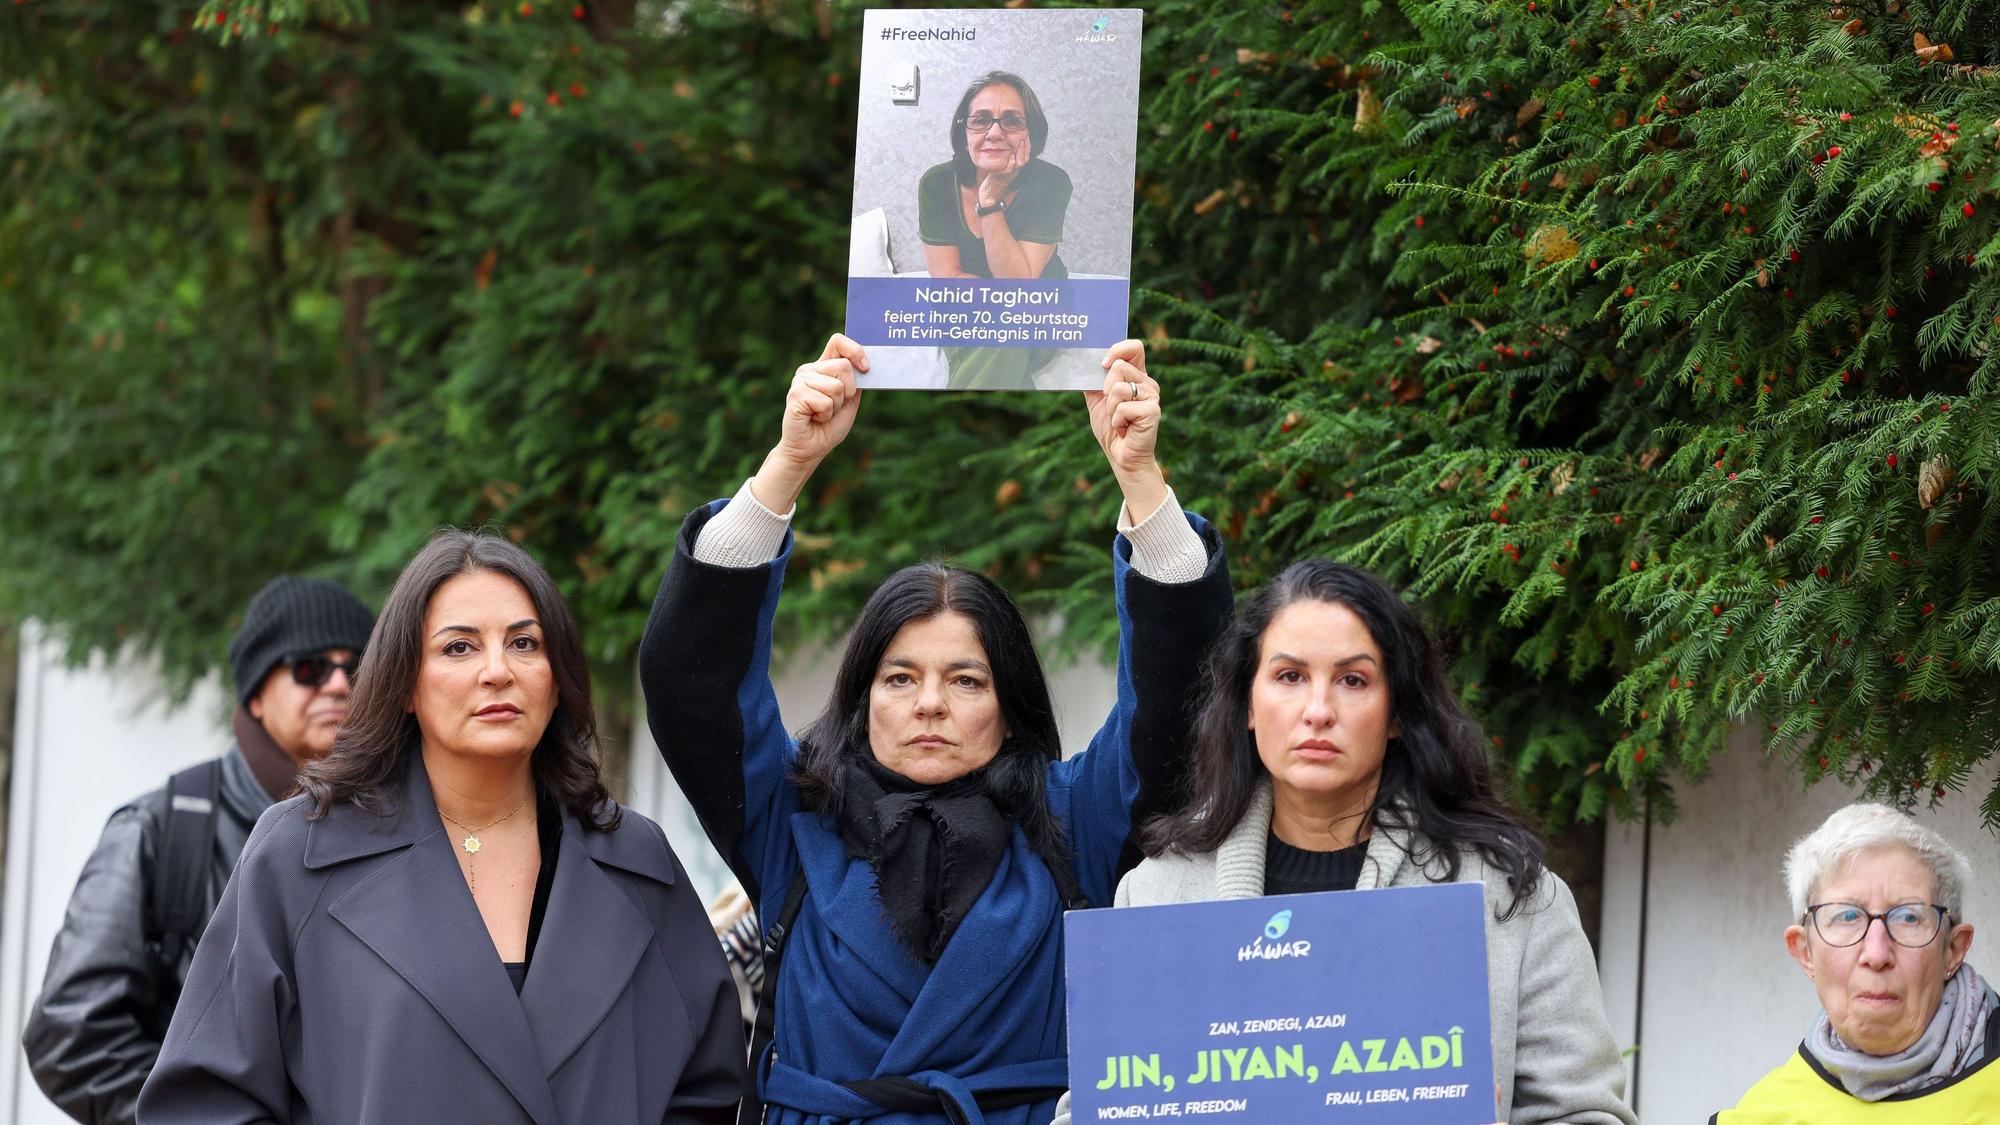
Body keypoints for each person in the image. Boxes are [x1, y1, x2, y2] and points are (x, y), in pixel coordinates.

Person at [640, 333, 1232, 1124]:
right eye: (899, 678)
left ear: (1010, 702)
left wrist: (1141, 481)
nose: (929, 703)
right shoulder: (794, 822)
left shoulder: (1073, 820)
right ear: (862, 699)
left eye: (966, 679)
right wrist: (787, 466)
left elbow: (1183, 696)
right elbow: (691, 681)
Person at [136, 533, 744, 1123]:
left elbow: (708, 1084)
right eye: (459, 648)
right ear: (403, 683)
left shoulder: (635, 861)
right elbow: (203, 1100)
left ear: (557, 679)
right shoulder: (299, 855)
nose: (498, 671)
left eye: (526, 644)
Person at [1052, 560, 1636, 1125]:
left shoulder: (1509, 898)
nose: (1318, 711)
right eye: (1289, 676)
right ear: (1248, 704)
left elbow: (1588, 1114)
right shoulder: (1156, 897)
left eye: (1353, 680)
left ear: (1397, 713)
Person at [24, 576, 373, 1125]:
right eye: (309, 667)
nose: (337, 685)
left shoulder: (392, 833)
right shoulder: (159, 829)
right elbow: (69, 1035)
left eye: (354, 668)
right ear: (257, 693)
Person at [1712, 803, 1995, 1122]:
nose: (1876, 954)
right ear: (1805, 953)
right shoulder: (1759, 1117)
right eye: (1847, 916)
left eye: (1908, 917)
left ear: (1953, 949)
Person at [918, 70, 1072, 390]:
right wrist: (997, 306)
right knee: (1003, 330)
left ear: (1032, 133)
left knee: (1007, 330)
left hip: (1038, 309)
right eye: (981, 119)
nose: (995, 132)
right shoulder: (936, 183)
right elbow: (947, 279)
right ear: (964, 131)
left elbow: (1019, 287)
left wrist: (990, 199)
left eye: (1012, 121)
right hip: (964, 307)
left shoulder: (1052, 182)